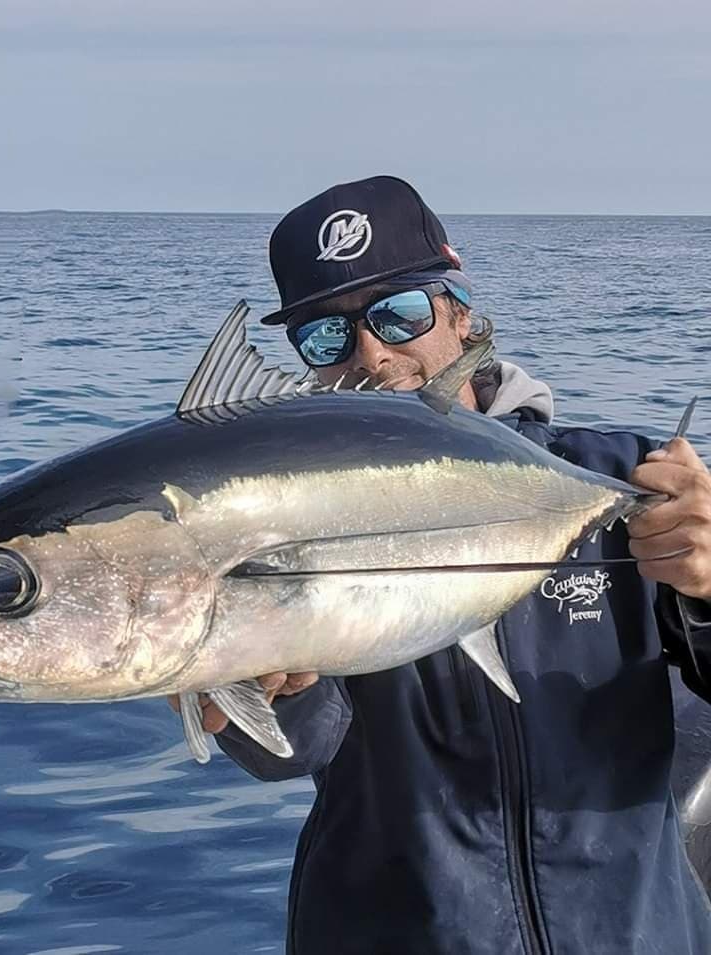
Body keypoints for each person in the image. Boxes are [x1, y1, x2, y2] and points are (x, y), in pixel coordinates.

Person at [175, 176, 711, 953]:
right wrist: (256, 687)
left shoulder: (621, 476)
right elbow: (296, 750)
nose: (371, 353)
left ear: (460, 314)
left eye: (399, 313)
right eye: (326, 337)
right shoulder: (292, 524)